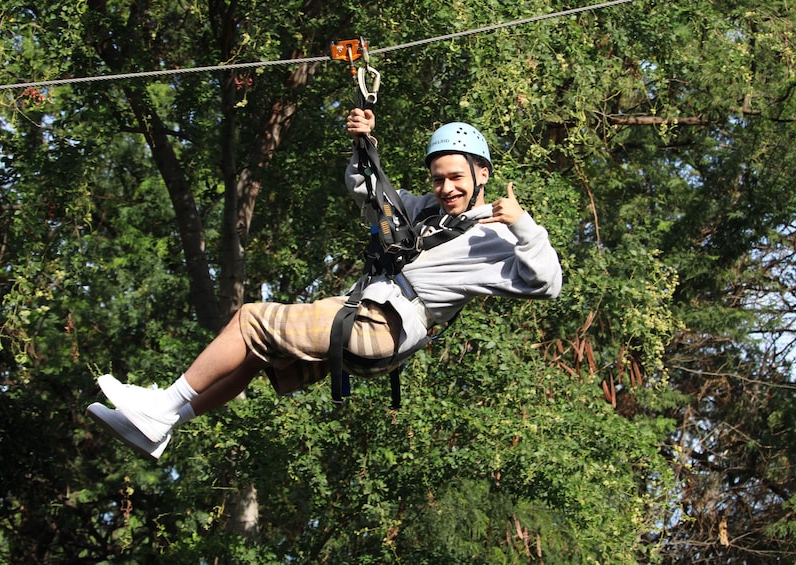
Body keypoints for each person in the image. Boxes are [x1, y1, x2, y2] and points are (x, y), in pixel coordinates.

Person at [87, 108, 563, 460]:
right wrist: (363, 143)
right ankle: (165, 423)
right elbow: (370, 193)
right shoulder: (425, 214)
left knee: (251, 319)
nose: (447, 189)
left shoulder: (495, 235)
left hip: (383, 327)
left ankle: (160, 406)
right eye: (438, 179)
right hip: (365, 320)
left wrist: (523, 225)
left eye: (456, 178)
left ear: (483, 174)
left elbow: (547, 283)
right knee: (256, 354)